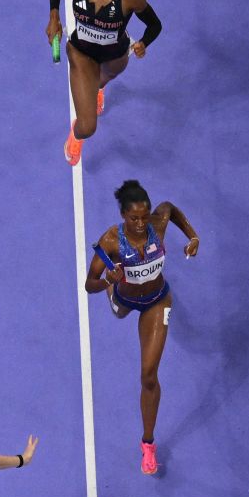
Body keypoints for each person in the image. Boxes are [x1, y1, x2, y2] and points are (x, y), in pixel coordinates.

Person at [85, 180, 199, 474]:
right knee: (119, 311)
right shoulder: (110, 241)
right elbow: (89, 285)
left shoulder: (156, 225)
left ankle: (148, 444)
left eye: (144, 216)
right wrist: (109, 281)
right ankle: (115, 299)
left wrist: (193, 236)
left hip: (157, 301)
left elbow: (170, 208)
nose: (139, 223)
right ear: (123, 216)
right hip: (124, 297)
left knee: (148, 375)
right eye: (133, 218)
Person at [46, 0, 162, 165]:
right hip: (82, 54)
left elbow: (155, 25)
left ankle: (98, 86)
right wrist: (53, 15)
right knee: (87, 127)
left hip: (115, 56)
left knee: (102, 80)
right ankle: (75, 135)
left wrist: (143, 43)